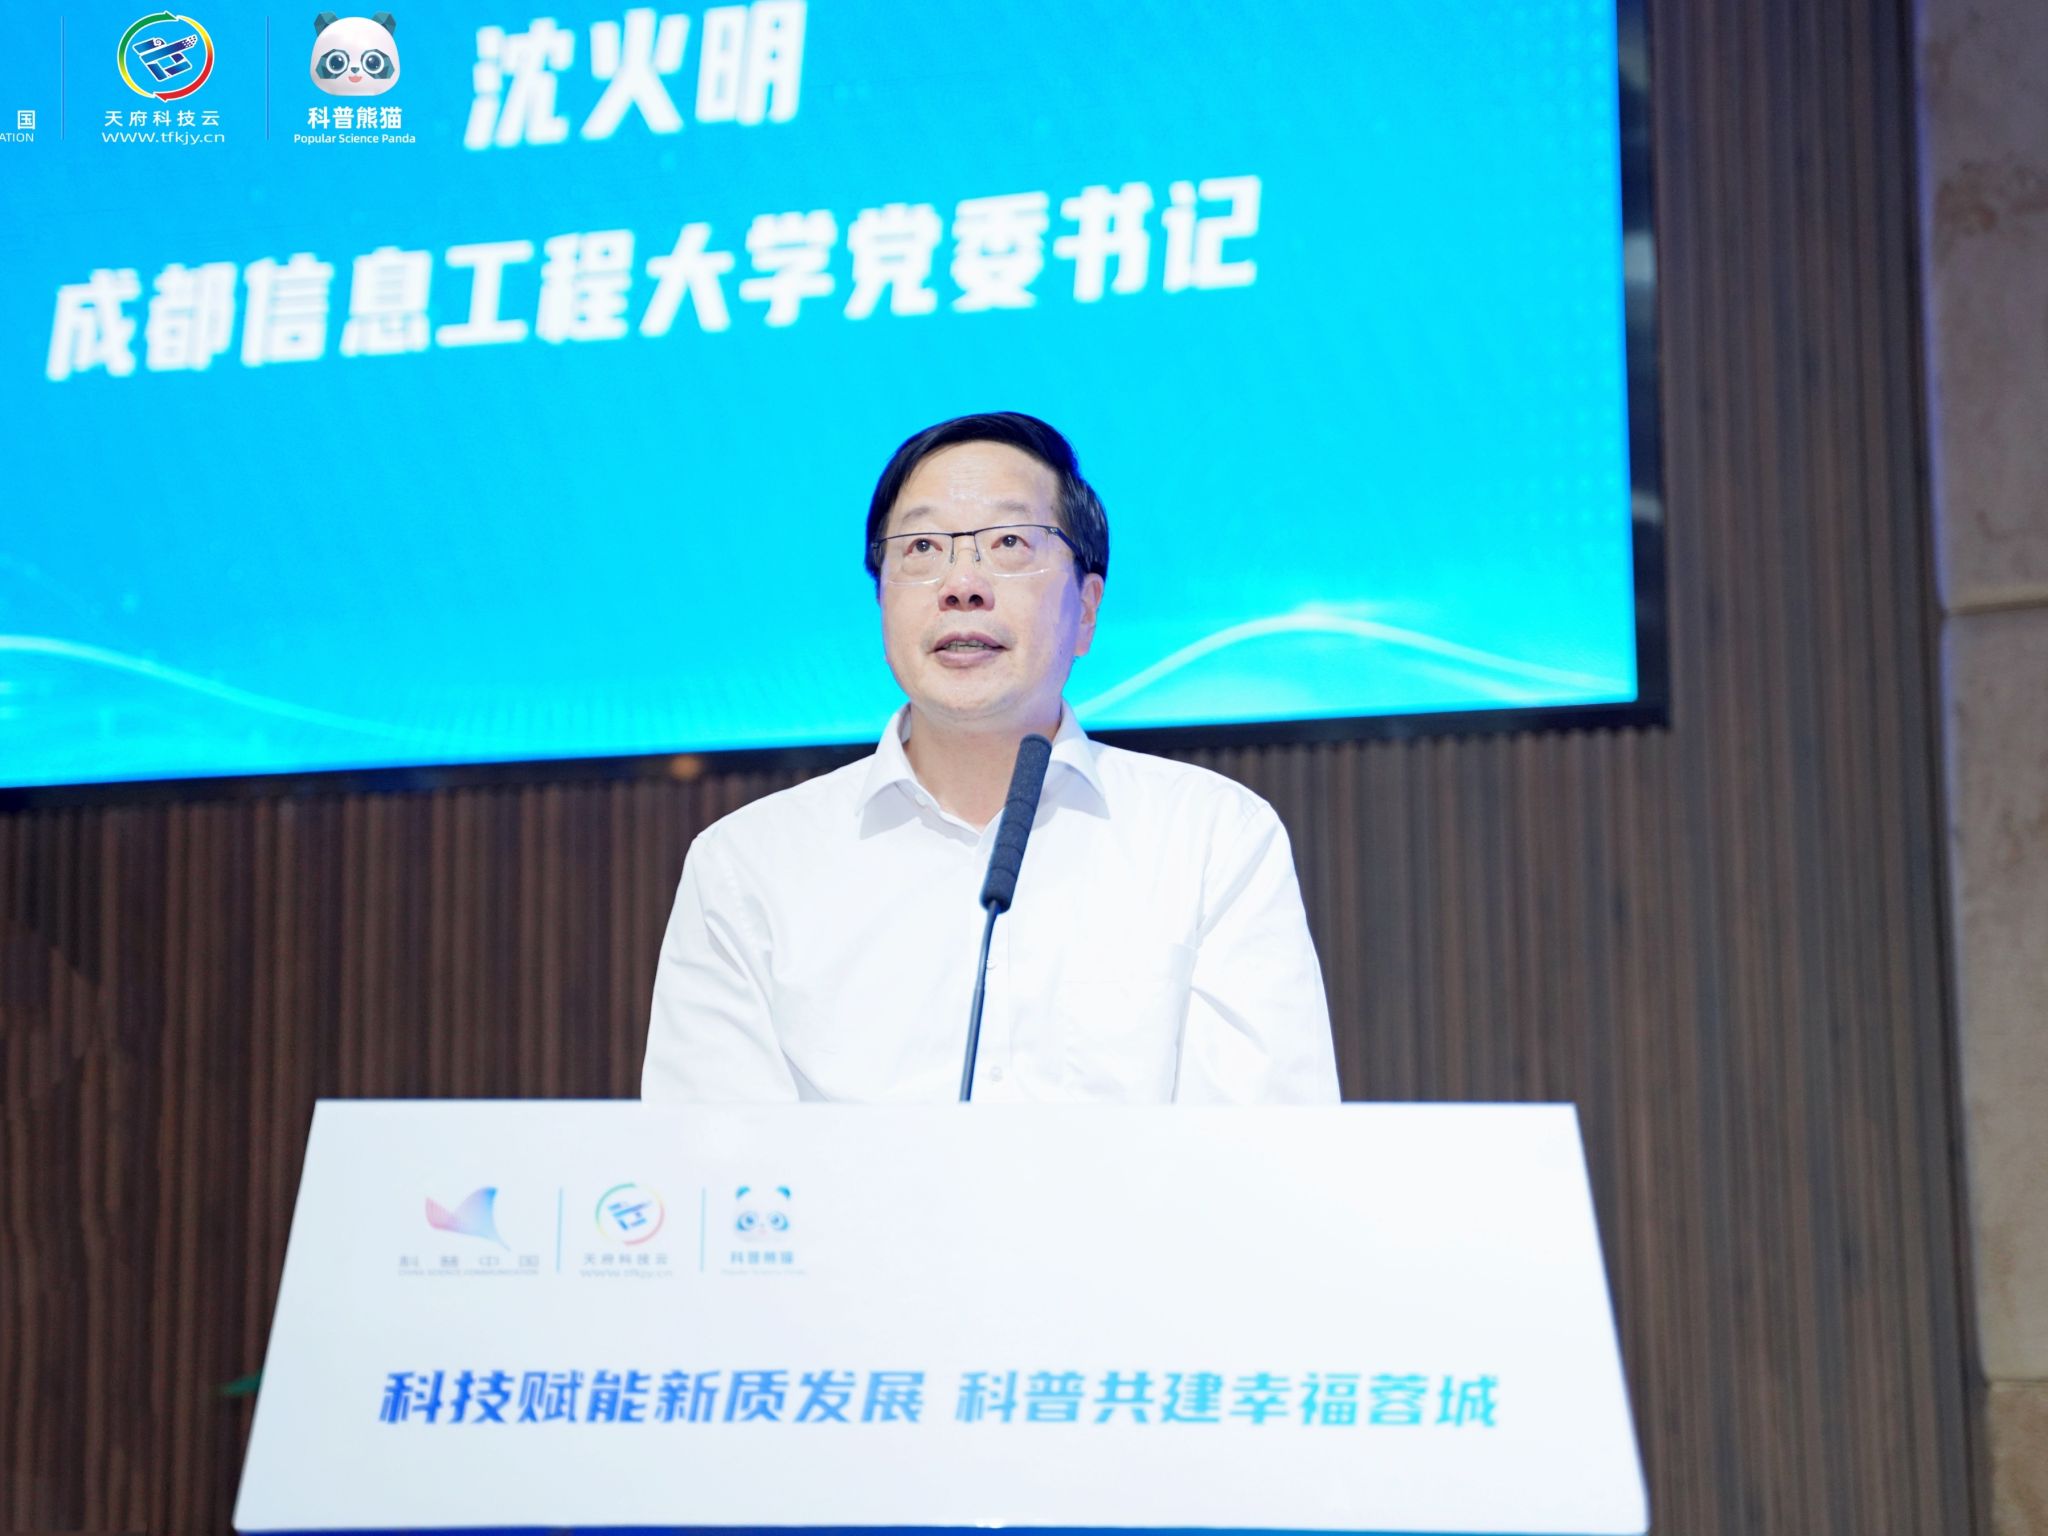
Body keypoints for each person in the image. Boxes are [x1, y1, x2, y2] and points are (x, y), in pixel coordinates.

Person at [641, 412, 1338, 1103]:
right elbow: (706, 1159)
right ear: (881, 602)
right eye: (921, 547)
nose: (961, 585)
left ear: (1086, 609)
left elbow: (1268, 1150)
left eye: (1009, 542)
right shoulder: (747, 867)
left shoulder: (1212, 840)